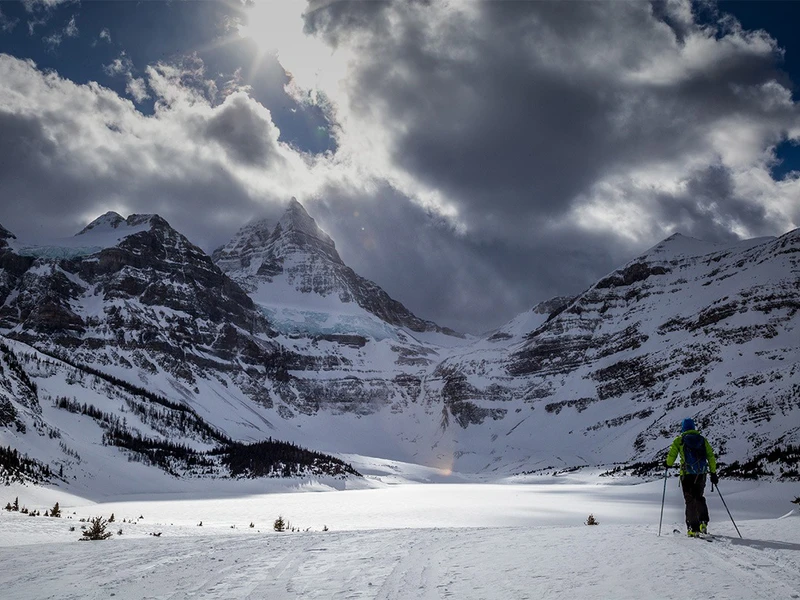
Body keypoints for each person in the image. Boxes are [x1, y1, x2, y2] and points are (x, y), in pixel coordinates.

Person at [666, 418, 719, 537]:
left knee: (690, 500)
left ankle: (693, 528)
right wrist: (713, 472)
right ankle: (703, 522)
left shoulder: (679, 440)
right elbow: (710, 457)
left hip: (686, 475)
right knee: (699, 497)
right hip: (701, 474)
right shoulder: (702, 440)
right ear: (694, 427)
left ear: (683, 428)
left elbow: (672, 456)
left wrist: (667, 464)